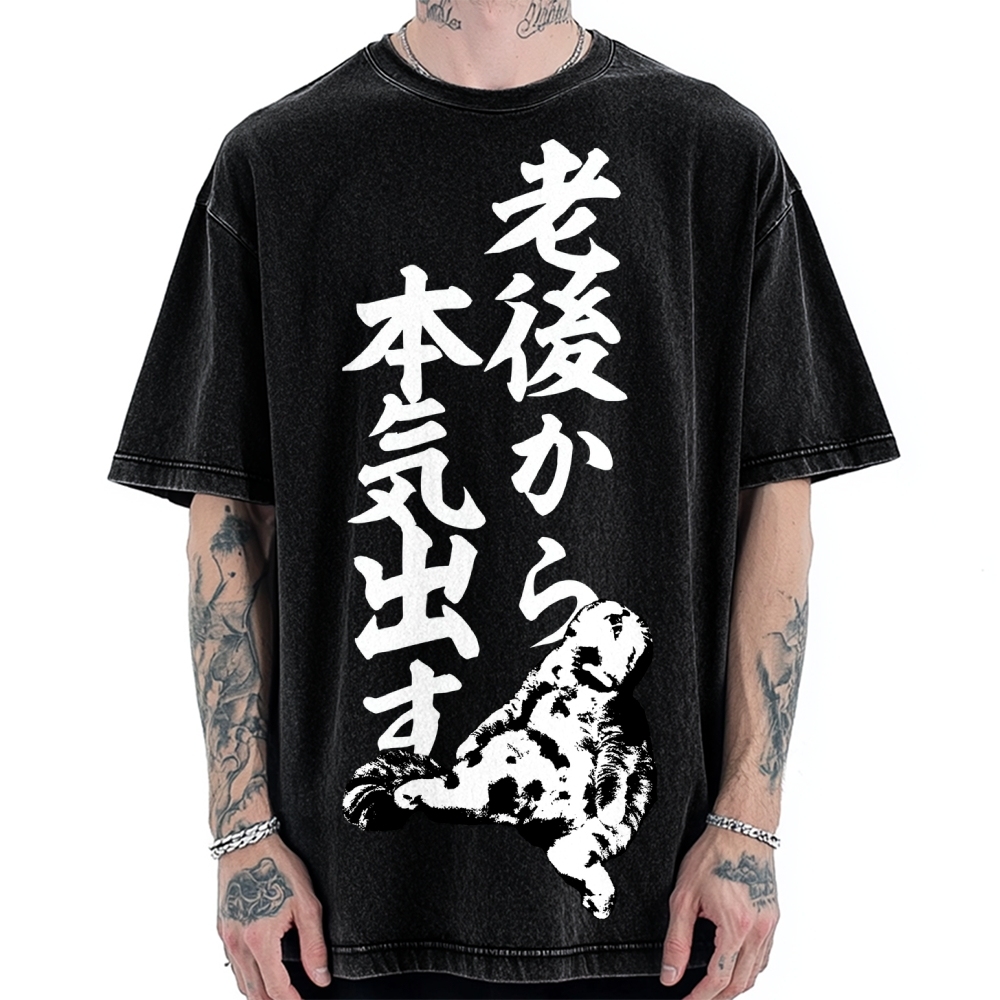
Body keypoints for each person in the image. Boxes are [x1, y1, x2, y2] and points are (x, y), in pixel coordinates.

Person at [107, 2, 899, 998]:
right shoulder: (279, 163)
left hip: (650, 903)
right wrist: (243, 836)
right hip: (341, 908)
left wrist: (748, 826)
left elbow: (777, 505)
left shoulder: (713, 154)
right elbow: (227, 531)